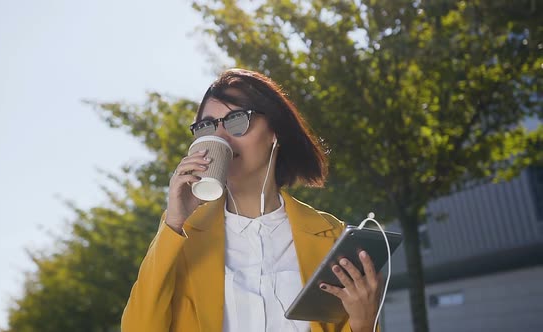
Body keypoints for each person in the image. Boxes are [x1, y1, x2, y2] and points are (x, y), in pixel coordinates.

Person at [121, 69, 383, 332]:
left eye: (236, 120)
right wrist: (175, 220)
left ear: (275, 133)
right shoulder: (181, 237)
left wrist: (364, 323)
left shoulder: (332, 237)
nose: (220, 137)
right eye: (207, 127)